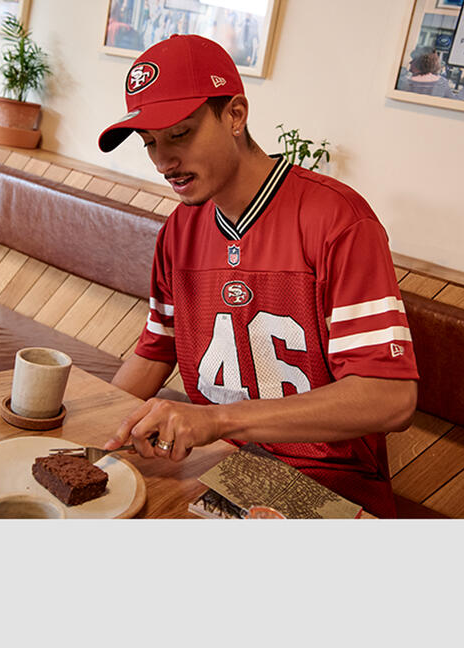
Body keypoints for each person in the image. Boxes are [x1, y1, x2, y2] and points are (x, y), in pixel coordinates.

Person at [96, 35, 419, 518]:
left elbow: (391, 396)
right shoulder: (178, 231)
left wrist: (216, 419)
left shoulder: (338, 220)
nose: (163, 162)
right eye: (150, 144)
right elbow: (154, 349)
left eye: (179, 134)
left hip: (326, 483)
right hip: (215, 467)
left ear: (235, 115)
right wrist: (99, 438)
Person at [396, 50, 464, 100]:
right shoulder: (440, 83)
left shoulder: (404, 82)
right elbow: (456, 100)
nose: (410, 62)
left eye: (413, 60)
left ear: (419, 63)